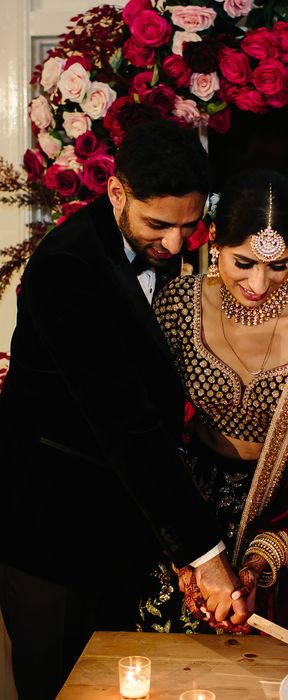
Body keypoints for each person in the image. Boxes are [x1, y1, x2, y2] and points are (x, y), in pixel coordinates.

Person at [0, 120, 248, 699]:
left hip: (119, 532)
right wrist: (206, 557)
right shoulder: (67, 270)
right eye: (156, 225)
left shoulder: (168, 259)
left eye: (189, 226)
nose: (173, 243)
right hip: (49, 539)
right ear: (116, 192)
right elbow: (128, 427)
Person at [141, 169, 288, 635]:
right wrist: (178, 546)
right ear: (214, 243)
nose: (259, 283)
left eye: (280, 265)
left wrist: (256, 560)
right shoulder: (179, 306)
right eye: (243, 262)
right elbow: (148, 422)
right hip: (188, 497)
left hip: (280, 507)